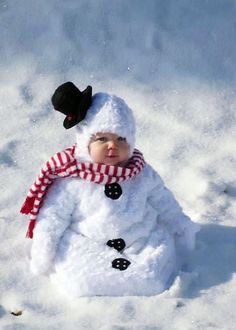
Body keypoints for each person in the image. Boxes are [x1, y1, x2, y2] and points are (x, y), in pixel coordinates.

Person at [21, 82, 200, 297]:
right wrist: (44, 251)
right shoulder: (73, 180)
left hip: (138, 238)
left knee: (154, 271)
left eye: (121, 139)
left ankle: (142, 276)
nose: (112, 146)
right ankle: (94, 281)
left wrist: (179, 225)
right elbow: (53, 216)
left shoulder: (141, 173)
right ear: (86, 142)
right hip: (87, 241)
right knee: (77, 276)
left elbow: (162, 200)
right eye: (102, 139)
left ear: (131, 141)